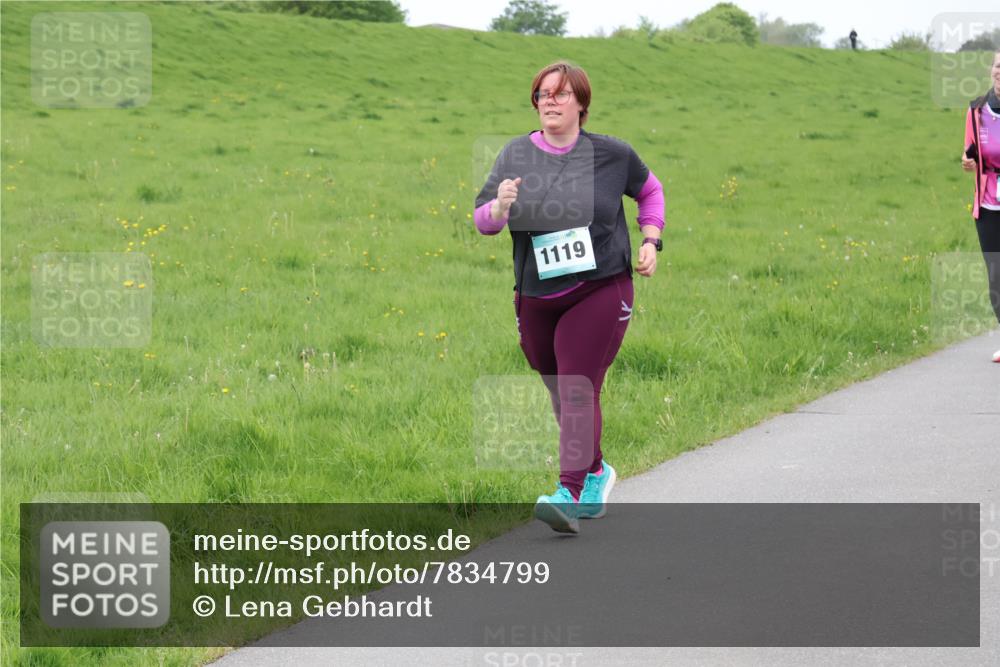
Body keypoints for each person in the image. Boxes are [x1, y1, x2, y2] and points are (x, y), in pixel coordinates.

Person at [473, 61, 665, 533]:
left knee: (578, 386)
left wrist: (649, 238)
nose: (550, 102)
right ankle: (596, 470)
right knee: (560, 389)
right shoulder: (516, 154)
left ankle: (570, 491)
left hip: (601, 284)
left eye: (560, 94)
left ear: (581, 102)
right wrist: (500, 206)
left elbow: (650, 191)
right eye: (542, 94)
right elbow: (483, 221)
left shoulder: (612, 154)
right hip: (536, 292)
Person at [961, 48, 1000, 363]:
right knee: (996, 276)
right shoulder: (976, 110)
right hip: (987, 207)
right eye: (998, 66)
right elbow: (969, 150)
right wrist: (966, 160)